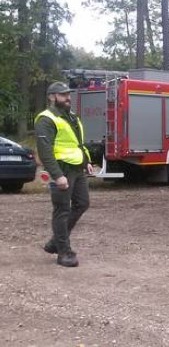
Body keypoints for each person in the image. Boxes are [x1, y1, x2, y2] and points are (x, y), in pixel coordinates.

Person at [35, 81, 95, 268]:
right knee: (62, 210)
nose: (68, 97)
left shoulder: (71, 116)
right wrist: (57, 175)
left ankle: (55, 242)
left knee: (82, 203)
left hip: (77, 167)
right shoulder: (46, 119)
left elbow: (77, 142)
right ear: (52, 97)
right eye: (62, 95)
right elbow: (45, 150)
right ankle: (64, 252)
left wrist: (87, 162)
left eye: (68, 94)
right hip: (61, 168)